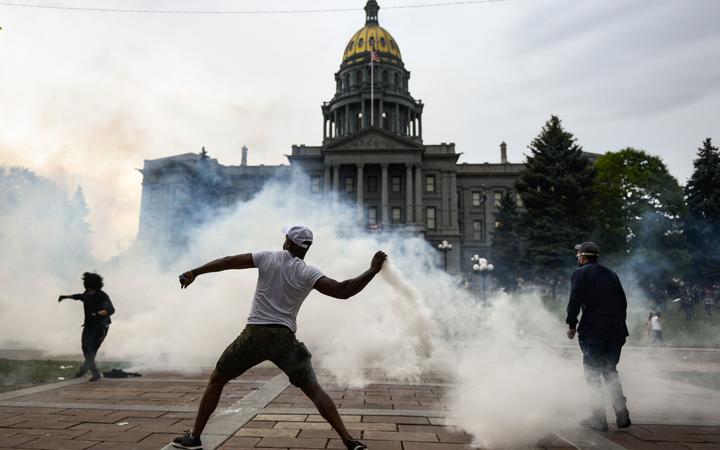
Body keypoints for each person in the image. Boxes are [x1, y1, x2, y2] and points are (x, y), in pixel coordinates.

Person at [171, 225, 387, 450]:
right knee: (314, 389)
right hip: (284, 339)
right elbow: (344, 290)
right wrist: (372, 270)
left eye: (285, 238)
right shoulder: (308, 272)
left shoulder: (268, 257)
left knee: (218, 379)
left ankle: (194, 437)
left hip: (255, 335)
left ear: (288, 243)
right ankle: (349, 441)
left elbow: (227, 261)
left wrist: (194, 272)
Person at [566, 242, 631, 431]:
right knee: (610, 370)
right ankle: (622, 413)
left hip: (594, 330)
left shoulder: (580, 273)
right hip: (616, 329)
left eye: (578, 254)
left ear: (583, 257)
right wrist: (618, 325)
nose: (577, 257)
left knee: (593, 372)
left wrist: (571, 324)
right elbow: (623, 302)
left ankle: (598, 419)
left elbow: (574, 300)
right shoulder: (612, 274)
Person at [58, 272, 115, 381]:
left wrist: (97, 314)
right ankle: (88, 371)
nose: (88, 290)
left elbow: (111, 310)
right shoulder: (87, 293)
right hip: (89, 326)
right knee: (86, 348)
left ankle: (86, 371)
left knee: (91, 350)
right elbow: (78, 296)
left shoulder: (102, 295)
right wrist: (65, 297)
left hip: (101, 327)